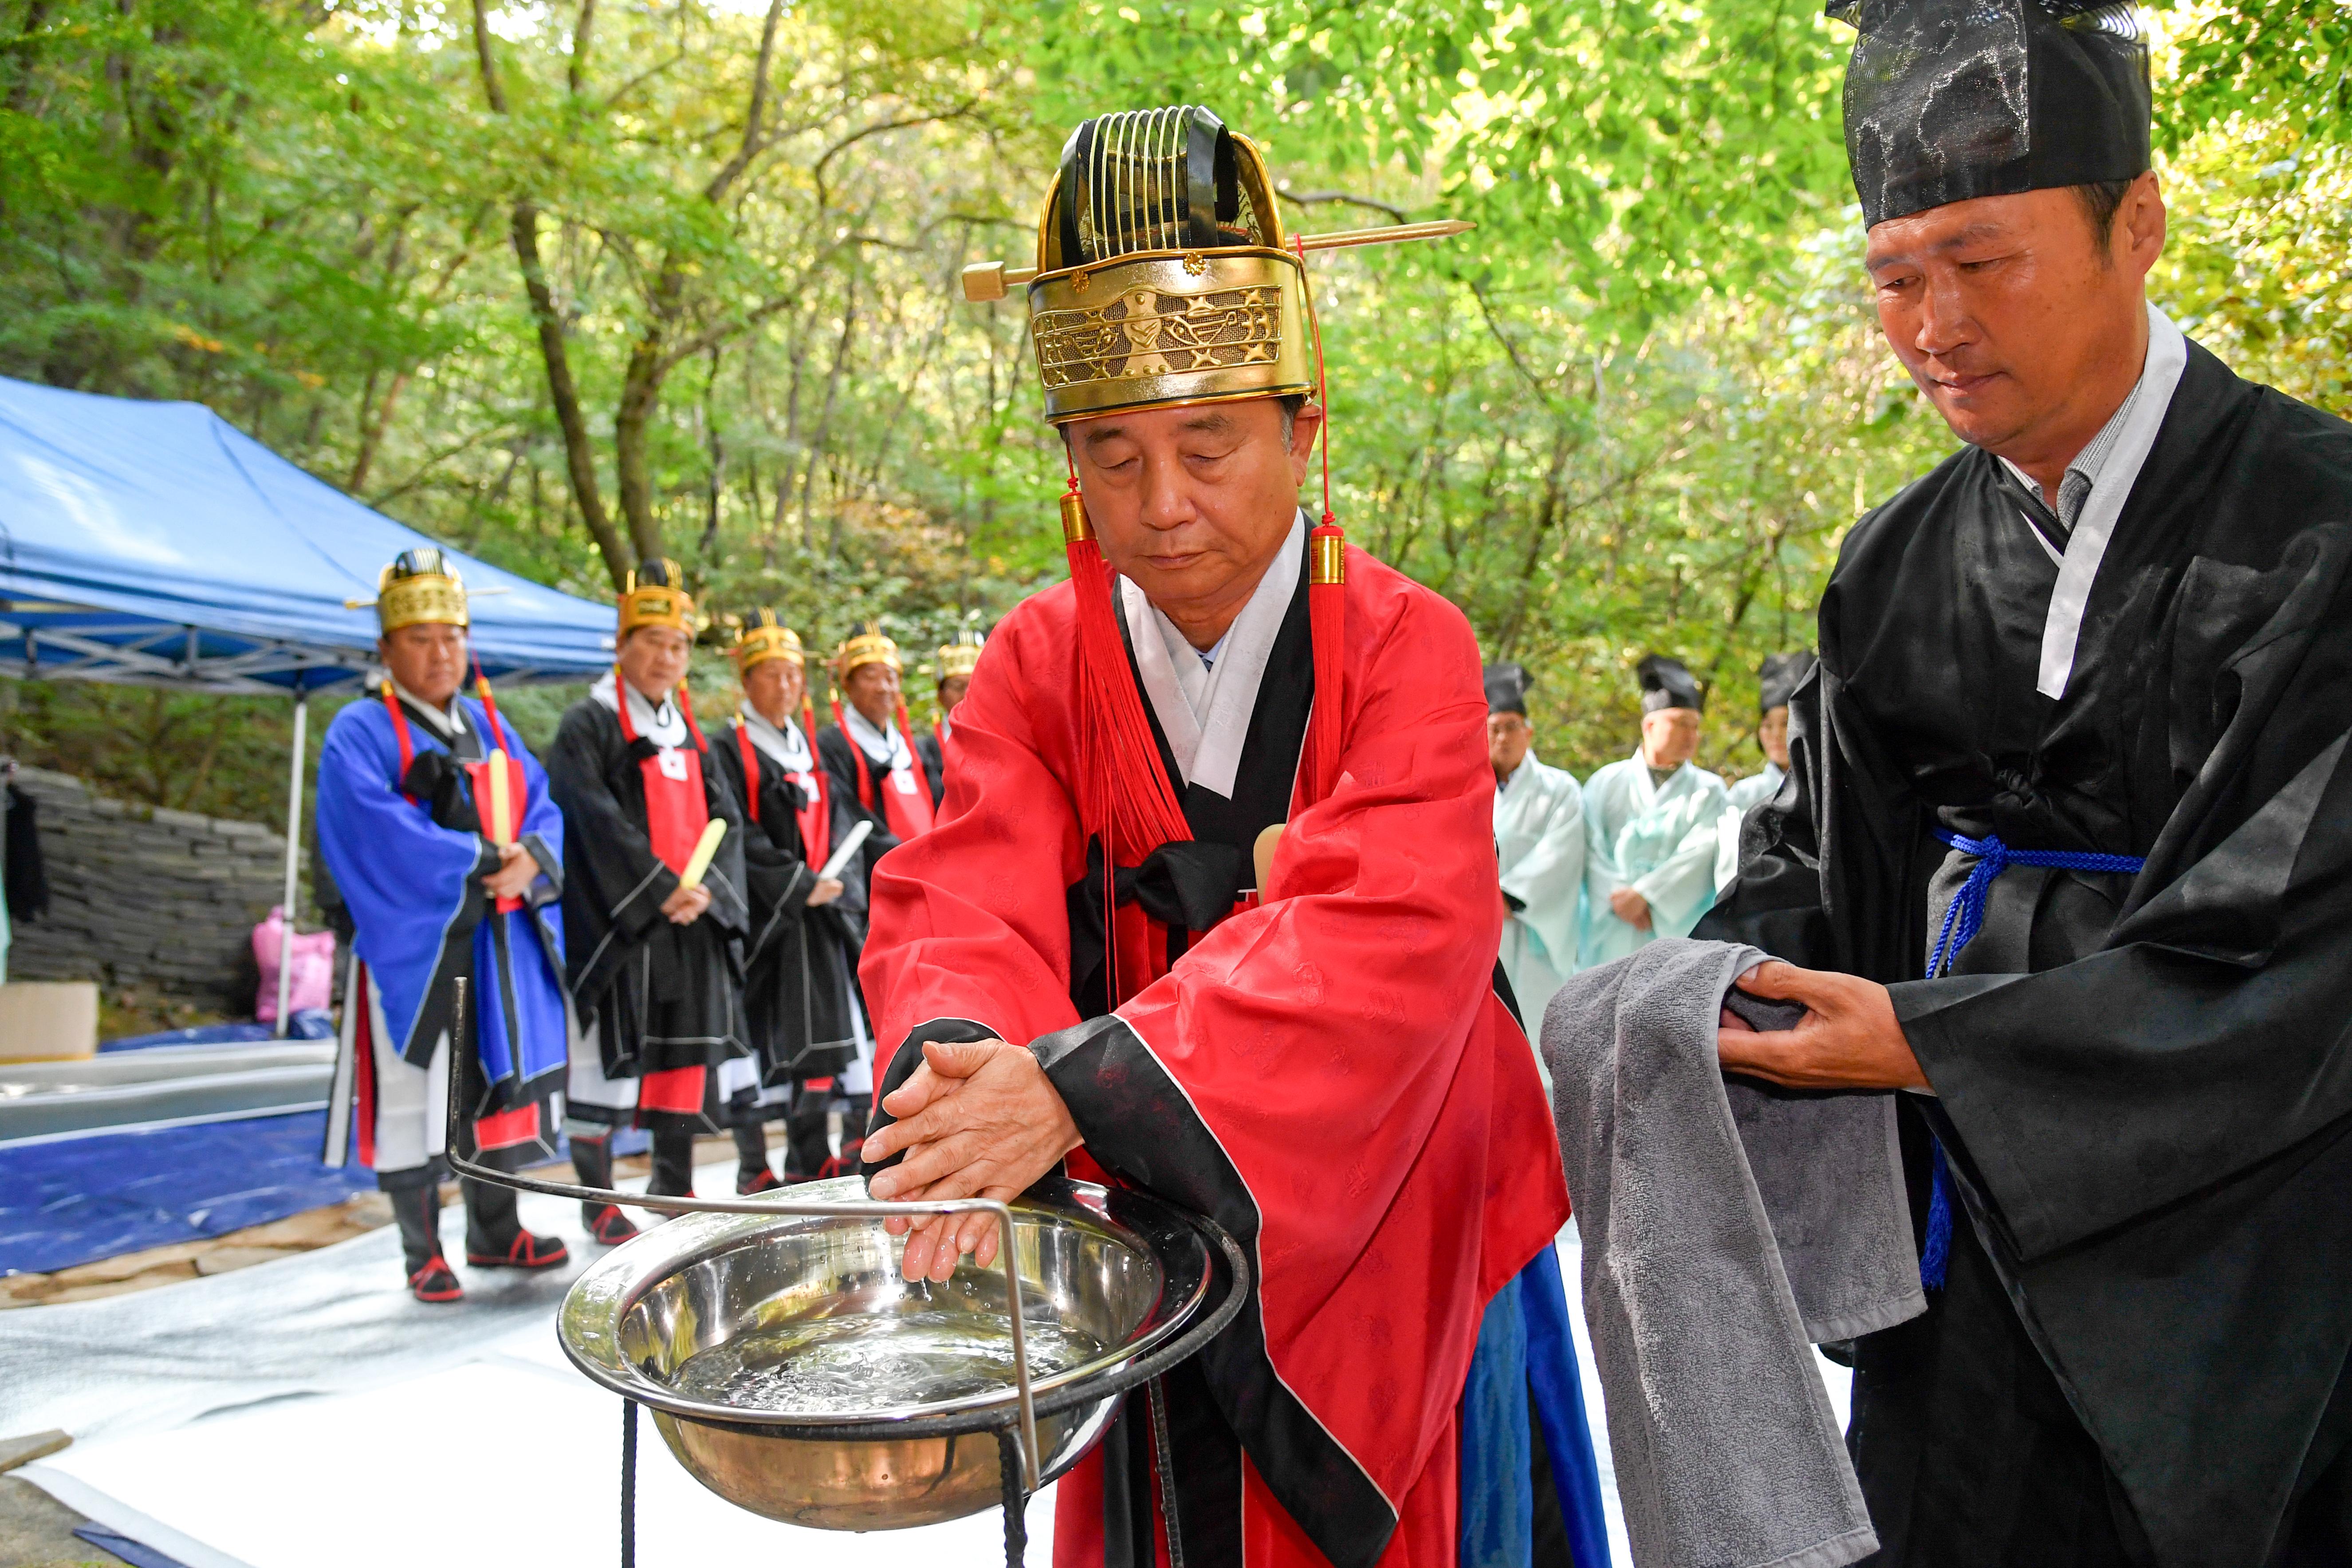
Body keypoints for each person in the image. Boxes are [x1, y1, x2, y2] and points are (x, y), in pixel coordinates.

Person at [853, 105, 1601, 1568]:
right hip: (1138, 1191)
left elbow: (1387, 933)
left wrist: (1072, 1089)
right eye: (1112, 453)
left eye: (1209, 442)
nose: (1165, 504)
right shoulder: (1034, 660)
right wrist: (959, 1099)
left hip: (1391, 1200)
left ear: (1300, 425)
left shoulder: (1408, 646)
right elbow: (962, 898)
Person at [1699, 4, 2352, 1562]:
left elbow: (2293, 943)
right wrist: (1718, 982)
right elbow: (1828, 855)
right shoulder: (1894, 561)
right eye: (1896, 277)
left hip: (2246, 1254)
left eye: (1982, 263)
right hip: (1954, 1248)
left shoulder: (2318, 531)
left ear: (2138, 224)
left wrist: (1934, 1042)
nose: (1934, 324)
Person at [315, 549, 570, 1302]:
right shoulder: (358, 730)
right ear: (386, 648)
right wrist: (478, 858)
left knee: (494, 1084)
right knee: (414, 1088)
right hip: (417, 944)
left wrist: (534, 858)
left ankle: (496, 1230)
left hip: (494, 939)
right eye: (421, 638)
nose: (440, 652)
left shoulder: (489, 724)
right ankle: (420, 1248)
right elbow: (371, 830)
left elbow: (542, 804)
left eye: (452, 636)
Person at [543, 559, 753, 1233]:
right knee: (608, 1062)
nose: (666, 657)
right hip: (624, 918)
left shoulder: (689, 731)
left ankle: (673, 1182)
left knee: (683, 1056)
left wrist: (707, 891)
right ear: (621, 645)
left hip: (690, 919)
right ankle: (599, 1198)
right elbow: (589, 812)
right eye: (653, 642)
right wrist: (659, 888)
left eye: (678, 645)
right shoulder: (589, 721)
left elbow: (726, 819)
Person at [707, 610, 872, 1190]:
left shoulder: (810, 747)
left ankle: (811, 1151)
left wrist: (838, 881)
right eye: (771, 674)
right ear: (746, 681)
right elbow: (735, 829)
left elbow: (847, 819)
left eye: (792, 675)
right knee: (765, 1040)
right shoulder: (727, 747)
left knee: (820, 1036)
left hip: (821, 916)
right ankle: (755, 1163)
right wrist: (798, 883)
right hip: (770, 919)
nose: (784, 686)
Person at [1577, 654, 1728, 970]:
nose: (1691, 736)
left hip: (1675, 931)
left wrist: (1647, 895)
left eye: (1696, 726)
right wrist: (1620, 897)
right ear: (1649, 724)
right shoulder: (1606, 781)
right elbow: (1589, 848)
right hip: (1611, 925)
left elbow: (1700, 853)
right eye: (1680, 723)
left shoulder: (1709, 790)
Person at [1487, 661, 1585, 1033]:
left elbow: (1562, 854)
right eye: (1494, 728)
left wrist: (1509, 896)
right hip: (1481, 933)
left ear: (1529, 732)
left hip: (1533, 937)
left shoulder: (1560, 790)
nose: (1504, 738)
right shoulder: (1465, 789)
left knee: (1537, 1042)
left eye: (1513, 727)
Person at [815, 624, 935, 881]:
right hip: (872, 876)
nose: (883, 687)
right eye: (870, 677)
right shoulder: (829, 745)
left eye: (891, 677)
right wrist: (904, 857)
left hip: (927, 869)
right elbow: (847, 815)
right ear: (847, 684)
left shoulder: (914, 747)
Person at [1715, 650, 1815, 888]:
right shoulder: (1743, 794)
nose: (1776, 735)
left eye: (1786, 723)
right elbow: (1730, 863)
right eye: (1767, 725)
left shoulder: (1821, 788)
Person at [913, 631, 984, 808]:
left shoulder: (1002, 744)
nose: (966, 694)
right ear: (940, 695)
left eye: (973, 685)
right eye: (958, 686)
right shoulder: (922, 751)